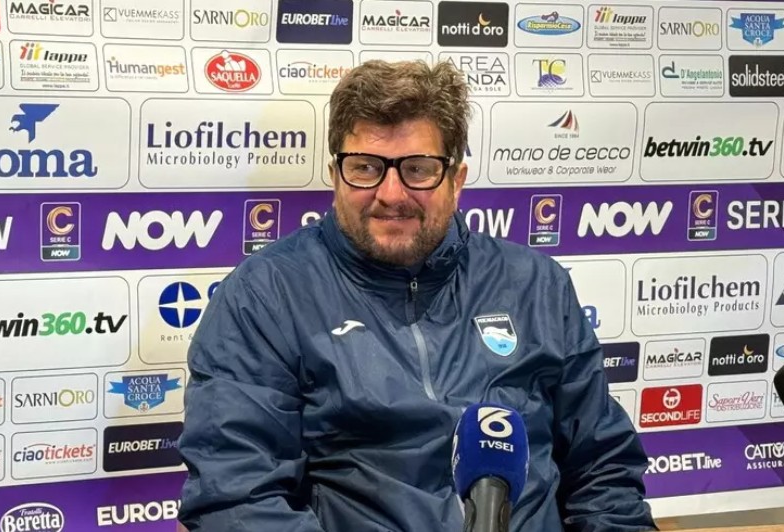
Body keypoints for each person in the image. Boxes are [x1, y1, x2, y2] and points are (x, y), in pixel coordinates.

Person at [177, 60, 658, 532]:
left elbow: (603, 468)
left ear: (456, 181)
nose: (391, 193)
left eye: (418, 169)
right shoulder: (264, 296)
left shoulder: (537, 284)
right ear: (335, 175)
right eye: (365, 167)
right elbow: (238, 496)